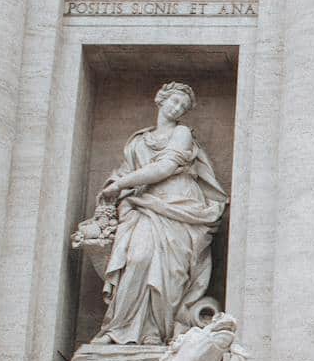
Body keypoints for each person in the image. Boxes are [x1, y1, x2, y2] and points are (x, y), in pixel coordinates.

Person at [91, 81, 229, 345]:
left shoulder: (182, 134)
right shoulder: (138, 140)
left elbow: (165, 168)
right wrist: (114, 184)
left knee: (171, 270)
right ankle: (119, 328)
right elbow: (126, 170)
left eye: (183, 106)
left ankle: (156, 331)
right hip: (143, 204)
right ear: (160, 98)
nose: (177, 108)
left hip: (179, 204)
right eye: (174, 101)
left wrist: (121, 184)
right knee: (138, 257)